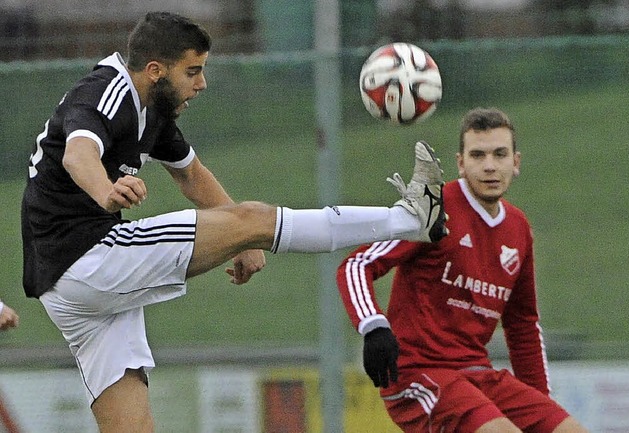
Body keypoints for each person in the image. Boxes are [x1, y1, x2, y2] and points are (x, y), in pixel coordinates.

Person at [20, 11, 447, 433]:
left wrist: (242, 240)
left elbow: (190, 174)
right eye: (193, 71)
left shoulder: (152, 108)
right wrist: (106, 191)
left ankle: (407, 220)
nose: (201, 84)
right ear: (155, 71)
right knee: (256, 217)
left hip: (66, 281)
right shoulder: (106, 91)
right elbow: (78, 154)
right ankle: (408, 220)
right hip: (86, 258)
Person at [336, 107, 589, 433]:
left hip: (477, 374)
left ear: (516, 162)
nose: (489, 166)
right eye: (477, 155)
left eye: (500, 154)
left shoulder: (518, 228)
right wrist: (373, 327)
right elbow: (357, 264)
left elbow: (523, 325)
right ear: (460, 163)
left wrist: (538, 404)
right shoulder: (434, 209)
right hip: (419, 374)